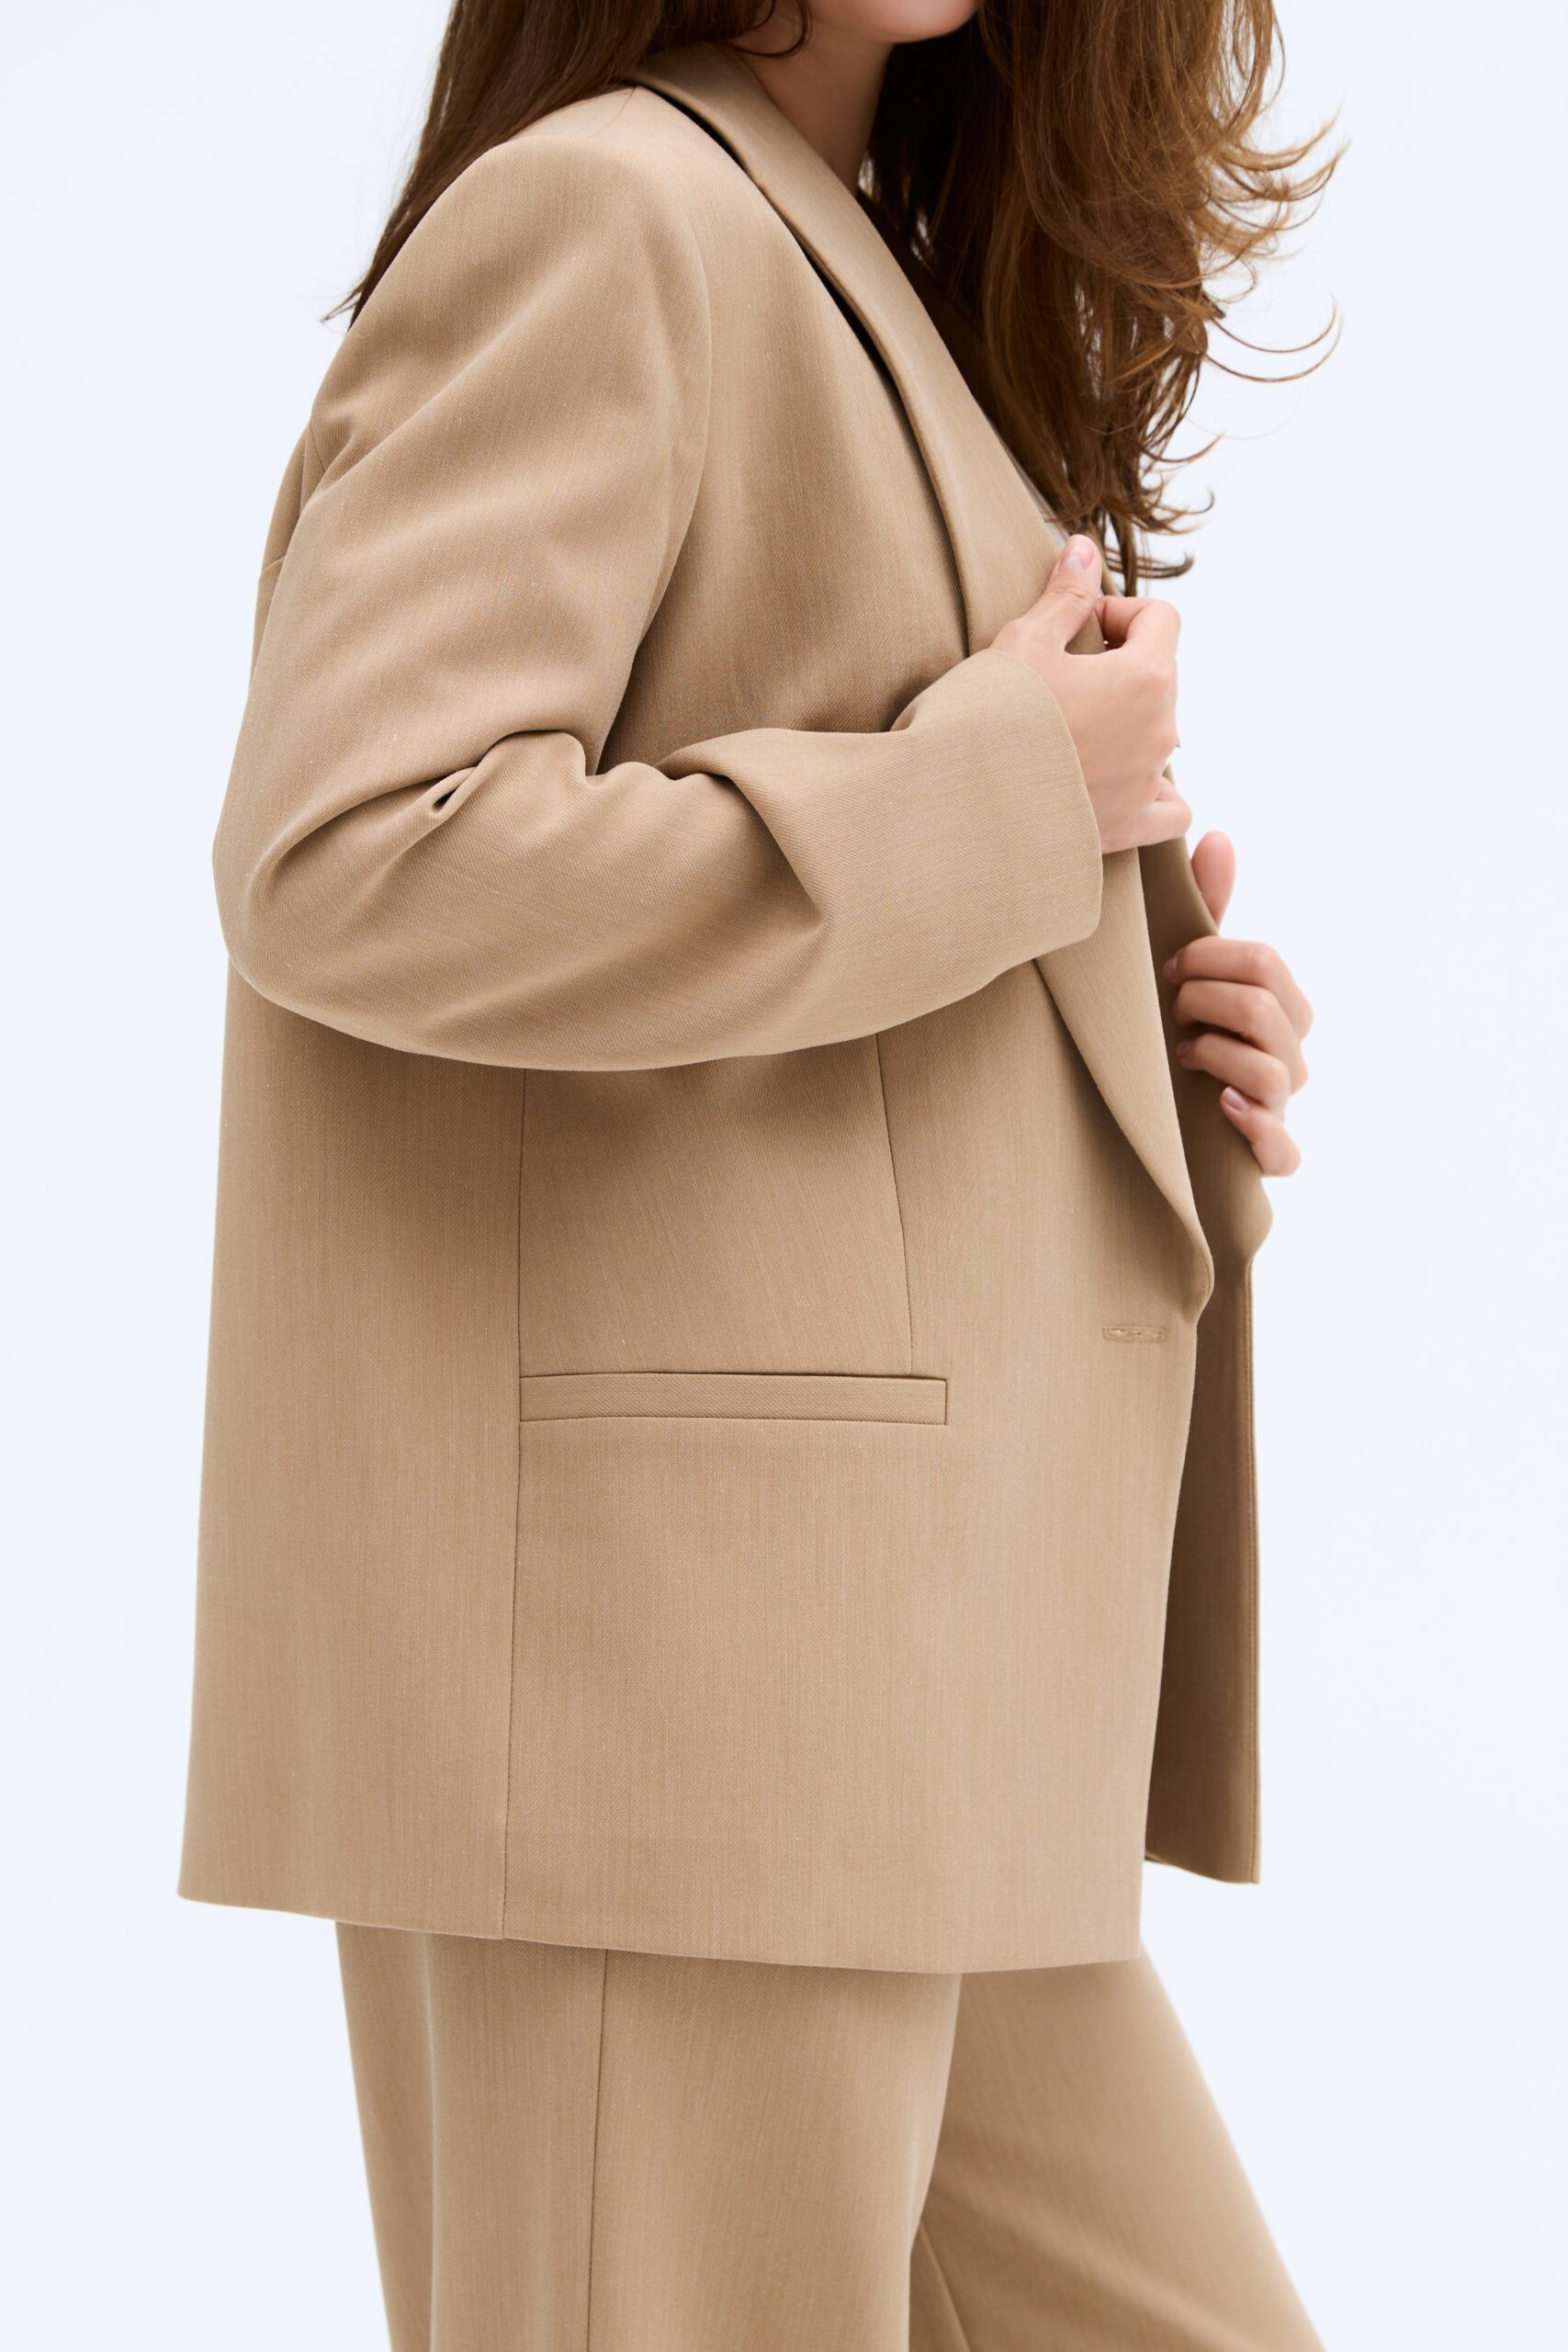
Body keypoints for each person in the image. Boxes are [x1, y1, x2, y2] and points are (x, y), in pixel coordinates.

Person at [180, 5, 1327, 2344]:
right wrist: (1004, 799)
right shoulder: (602, 210)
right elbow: (347, 847)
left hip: (906, 1702)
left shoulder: (856, 254)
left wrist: (1143, 1043)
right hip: (669, 1716)